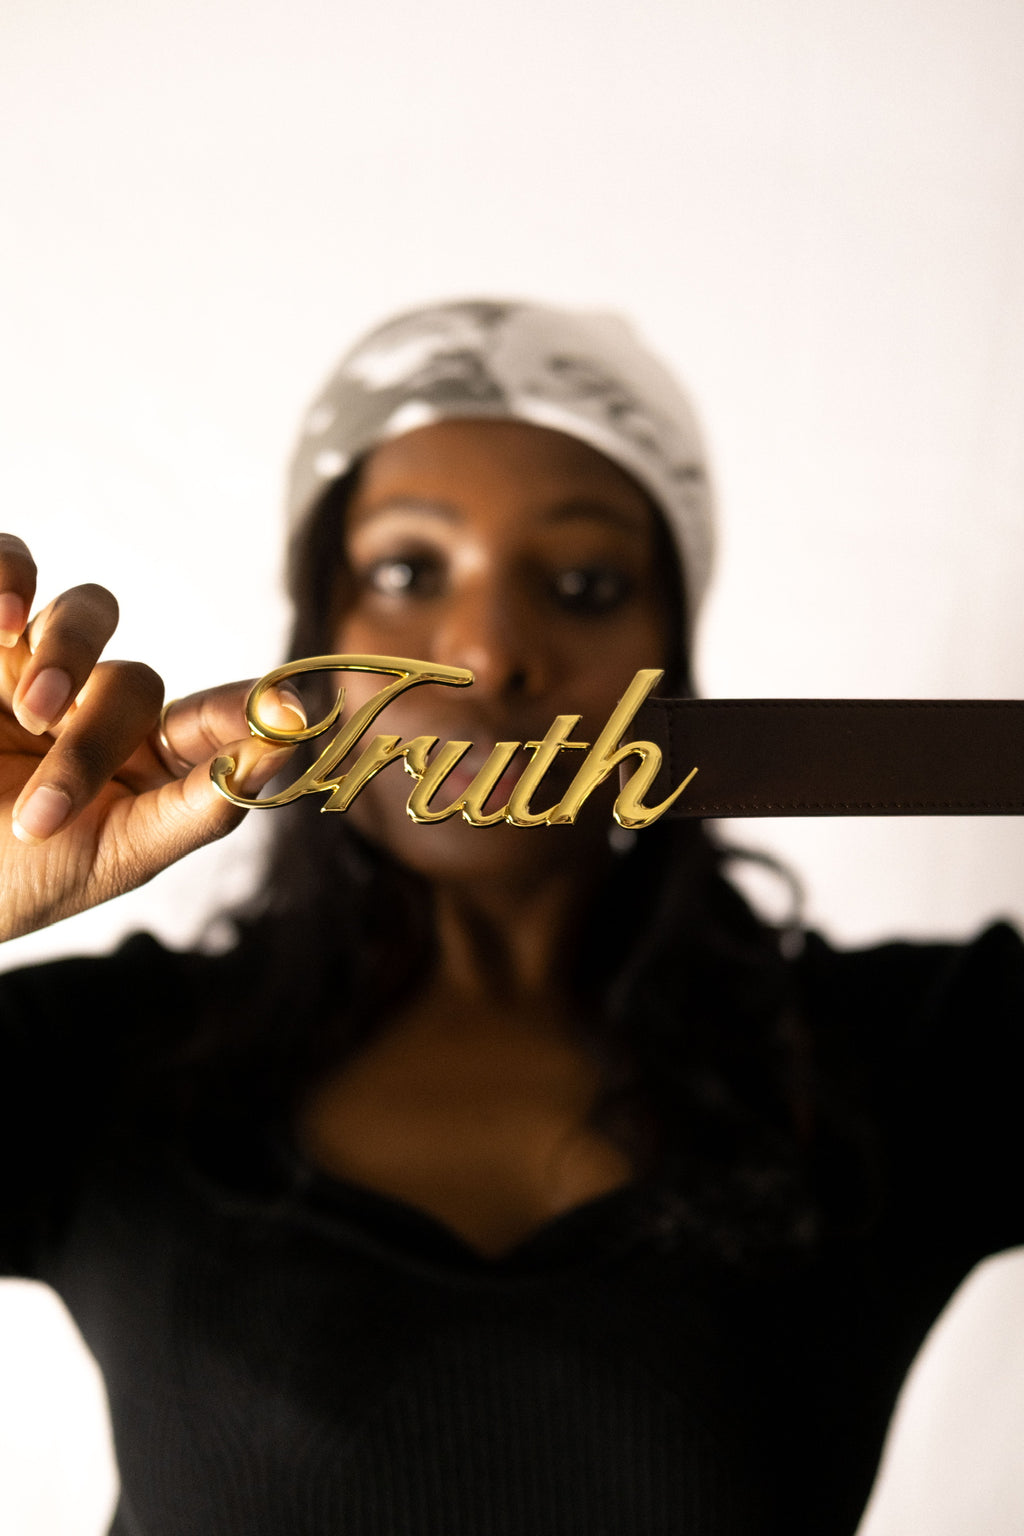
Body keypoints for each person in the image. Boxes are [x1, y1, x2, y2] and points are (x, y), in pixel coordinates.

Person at [1, 298, 1022, 1536]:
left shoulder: (909, 1059)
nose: (487, 654)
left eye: (586, 583)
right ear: (318, 636)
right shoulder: (96, 1065)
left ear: (672, 649)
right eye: (405, 571)